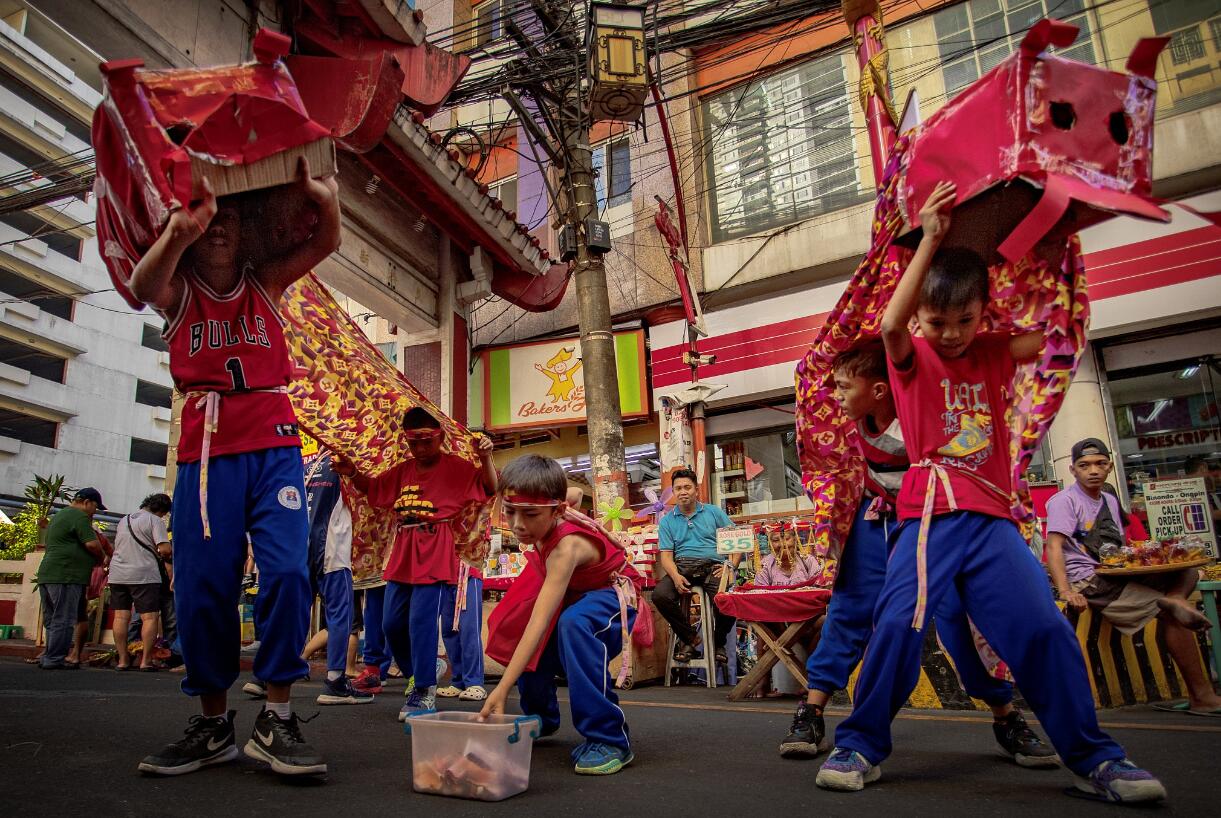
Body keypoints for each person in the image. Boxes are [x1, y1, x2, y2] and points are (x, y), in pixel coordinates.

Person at [815, 182, 1167, 803]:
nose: (950, 333)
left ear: (984, 313)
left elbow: (1061, 336)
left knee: (1042, 629)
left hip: (992, 519)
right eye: (938, 321)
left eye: (964, 320)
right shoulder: (911, 356)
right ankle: (859, 743)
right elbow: (892, 321)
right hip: (929, 511)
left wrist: (1056, 235)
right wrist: (929, 238)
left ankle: (1096, 758)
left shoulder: (995, 352)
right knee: (898, 625)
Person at [129, 159, 339, 777]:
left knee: (288, 576)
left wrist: (320, 198)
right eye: (208, 220)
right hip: (204, 458)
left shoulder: (265, 283)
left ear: (248, 231)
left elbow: (325, 240)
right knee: (203, 588)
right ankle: (215, 723)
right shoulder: (178, 290)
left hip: (274, 449)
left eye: (229, 219)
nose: (218, 228)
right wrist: (179, 230)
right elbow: (144, 287)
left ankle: (276, 717)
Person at [781, 343, 1056, 767]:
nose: (834, 395)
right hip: (875, 520)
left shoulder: (926, 413)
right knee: (850, 609)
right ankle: (813, 710)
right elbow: (814, 380)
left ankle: (1007, 716)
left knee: (962, 615)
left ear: (878, 389)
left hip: (935, 524)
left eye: (843, 386)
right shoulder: (845, 421)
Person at [334, 408, 497, 721]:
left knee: (421, 622)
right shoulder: (404, 469)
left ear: (440, 437)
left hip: (436, 545)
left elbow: (489, 487)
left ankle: (423, 690)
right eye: (414, 442)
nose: (420, 449)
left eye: (427, 441)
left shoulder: (457, 467)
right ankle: (422, 670)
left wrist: (486, 457)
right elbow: (374, 491)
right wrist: (352, 472)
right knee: (390, 624)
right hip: (404, 546)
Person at [482, 455, 639, 775]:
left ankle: (610, 738)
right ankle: (542, 716)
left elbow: (539, 626)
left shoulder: (565, 548)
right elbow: (576, 495)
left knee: (572, 624)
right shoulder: (558, 502)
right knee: (519, 617)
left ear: (556, 511)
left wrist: (502, 688)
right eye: (510, 512)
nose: (517, 525)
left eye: (530, 515)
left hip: (614, 595)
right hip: (578, 592)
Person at [1046, 438, 1220, 715]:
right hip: (1090, 580)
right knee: (1171, 615)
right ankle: (1203, 697)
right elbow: (1053, 546)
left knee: (1188, 569)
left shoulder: (1110, 500)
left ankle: (1175, 597)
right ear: (1073, 470)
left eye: (1100, 464)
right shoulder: (1063, 501)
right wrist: (1066, 590)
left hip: (1116, 574)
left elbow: (1118, 545)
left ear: (1110, 466)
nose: (1093, 470)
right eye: (1085, 465)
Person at [304, 451, 373, 706]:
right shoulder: (346, 461)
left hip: (304, 546)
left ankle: (267, 676)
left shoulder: (310, 464)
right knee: (341, 616)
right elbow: (369, 495)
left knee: (297, 613)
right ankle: (335, 681)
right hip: (332, 548)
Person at [654, 468, 739, 664]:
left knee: (728, 597)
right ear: (673, 492)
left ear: (696, 490)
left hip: (714, 567)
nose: (683, 492)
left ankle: (719, 642)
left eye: (687, 487)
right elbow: (666, 557)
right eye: (678, 488)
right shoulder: (667, 521)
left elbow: (736, 541)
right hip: (682, 567)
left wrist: (731, 567)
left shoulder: (714, 512)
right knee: (660, 595)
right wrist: (675, 576)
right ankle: (690, 638)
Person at [35, 488, 107, 670]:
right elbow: (92, 544)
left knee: (52, 619)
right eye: (95, 507)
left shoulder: (59, 516)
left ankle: (49, 657)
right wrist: (101, 557)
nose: (94, 512)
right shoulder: (79, 516)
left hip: (48, 573)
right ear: (87, 502)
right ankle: (55, 658)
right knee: (64, 618)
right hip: (67, 574)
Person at [109, 493, 172, 671]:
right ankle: (145, 661)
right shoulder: (155, 521)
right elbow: (165, 549)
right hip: (143, 574)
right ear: (162, 510)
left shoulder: (124, 519)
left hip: (118, 574)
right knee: (149, 617)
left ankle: (122, 660)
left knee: (121, 617)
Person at [437, 554, 487, 701]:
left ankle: (475, 682)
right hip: (445, 575)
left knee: (469, 629)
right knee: (448, 630)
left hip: (468, 573)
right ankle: (458, 680)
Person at [753, 524, 820, 587]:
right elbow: (760, 594)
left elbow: (818, 589)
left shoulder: (808, 560)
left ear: (795, 540)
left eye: (786, 539)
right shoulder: (765, 565)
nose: (782, 544)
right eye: (776, 540)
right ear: (770, 544)